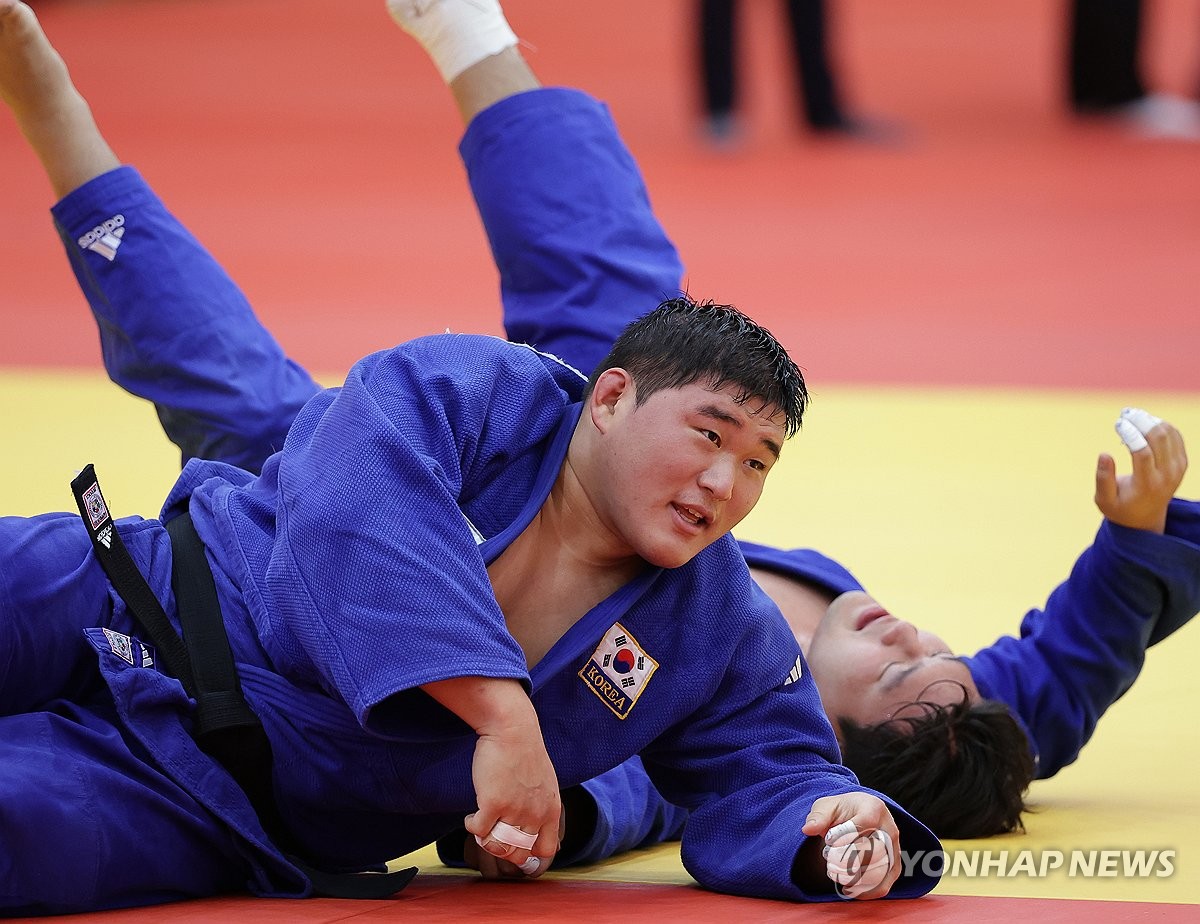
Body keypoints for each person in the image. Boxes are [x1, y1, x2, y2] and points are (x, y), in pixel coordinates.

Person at [52, 0, 1200, 855]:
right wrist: (1134, 541)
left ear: (834, 733)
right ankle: (470, 35)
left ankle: (63, 137)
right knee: (628, 320)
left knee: (246, 404)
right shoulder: (948, 705)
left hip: (357, 604)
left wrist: (524, 818)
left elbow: (584, 802)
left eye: (896, 673)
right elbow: (1044, 689)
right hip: (572, 483)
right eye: (941, 651)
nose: (918, 641)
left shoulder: (709, 727)